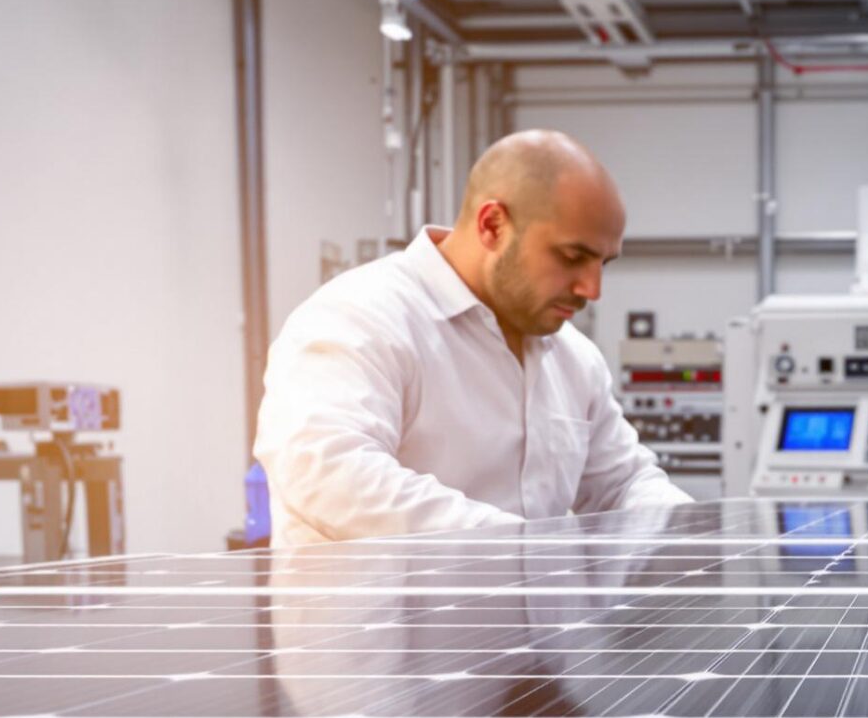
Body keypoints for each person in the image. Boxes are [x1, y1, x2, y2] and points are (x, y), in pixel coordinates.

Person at [253, 130, 689, 546]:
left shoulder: (574, 357)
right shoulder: (361, 317)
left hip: (541, 625)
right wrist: (522, 546)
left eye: (603, 265)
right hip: (387, 625)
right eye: (572, 257)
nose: (592, 290)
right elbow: (327, 475)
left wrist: (697, 533)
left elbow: (623, 483)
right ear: (493, 225)